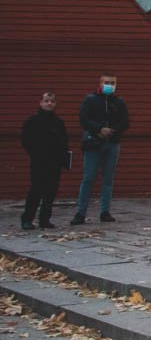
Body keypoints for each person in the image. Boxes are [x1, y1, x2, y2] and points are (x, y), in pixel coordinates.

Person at [71, 73, 130, 225]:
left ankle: (105, 211)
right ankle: (81, 213)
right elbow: (83, 119)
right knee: (88, 178)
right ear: (100, 83)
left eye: (112, 83)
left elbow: (125, 122)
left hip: (112, 143)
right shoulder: (90, 99)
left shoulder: (119, 102)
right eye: (107, 82)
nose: (109, 85)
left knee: (108, 179)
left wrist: (112, 130)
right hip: (93, 143)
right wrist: (99, 129)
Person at [21, 91, 69, 230]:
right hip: (39, 162)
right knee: (36, 191)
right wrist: (35, 154)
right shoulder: (32, 121)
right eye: (46, 101)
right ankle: (27, 219)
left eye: (52, 101)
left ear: (55, 103)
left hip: (55, 163)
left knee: (50, 192)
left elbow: (64, 141)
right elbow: (26, 141)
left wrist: (62, 157)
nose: (49, 103)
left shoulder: (58, 122)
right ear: (41, 102)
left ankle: (44, 220)